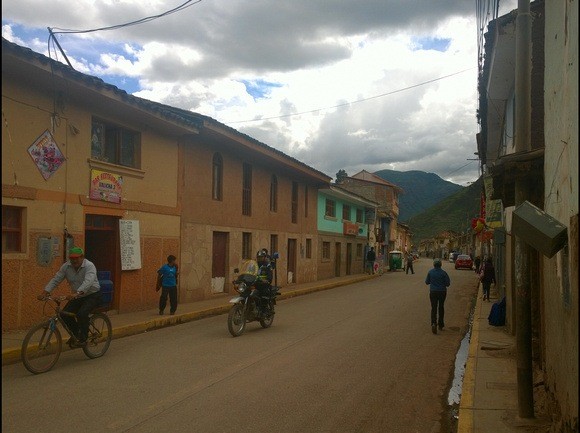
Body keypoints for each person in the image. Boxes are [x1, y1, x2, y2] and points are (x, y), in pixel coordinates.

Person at [39, 246, 102, 347]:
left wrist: (77, 293)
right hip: (77, 296)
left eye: (77, 258)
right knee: (64, 315)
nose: (74, 260)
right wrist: (45, 291)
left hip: (92, 295)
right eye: (72, 258)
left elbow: (88, 282)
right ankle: (77, 333)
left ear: (82, 257)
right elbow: (56, 279)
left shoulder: (89, 266)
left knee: (81, 314)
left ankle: (83, 339)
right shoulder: (66, 266)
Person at [425, 258, 451, 334]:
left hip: (433, 292)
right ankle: (441, 324)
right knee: (441, 307)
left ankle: (433, 323)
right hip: (442, 292)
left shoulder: (430, 272)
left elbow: (427, 282)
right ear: (440, 265)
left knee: (434, 308)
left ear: (434, 265)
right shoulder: (444, 273)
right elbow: (448, 284)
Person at [255, 248, 273, 315]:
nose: (259, 259)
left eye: (261, 257)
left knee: (264, 294)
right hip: (255, 283)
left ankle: (264, 309)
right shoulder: (255, 265)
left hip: (264, 284)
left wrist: (267, 280)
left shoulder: (268, 265)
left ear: (264, 257)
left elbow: (270, 276)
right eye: (258, 257)